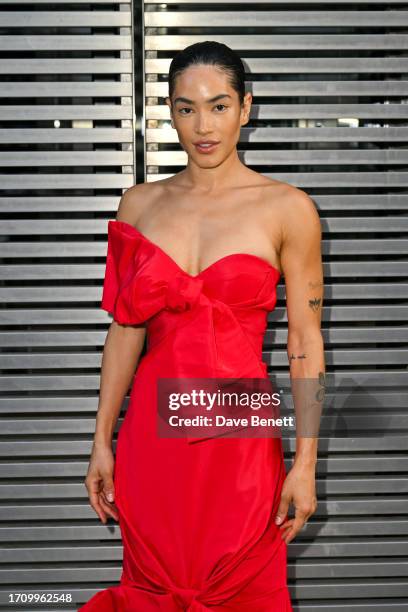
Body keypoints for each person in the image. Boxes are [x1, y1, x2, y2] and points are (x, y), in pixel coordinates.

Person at [80, 40, 324, 611]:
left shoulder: (287, 208)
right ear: (169, 112)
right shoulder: (138, 204)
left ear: (246, 108)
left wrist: (305, 465)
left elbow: (305, 343)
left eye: (218, 106)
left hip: (238, 433)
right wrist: (100, 440)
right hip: (151, 439)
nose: (202, 126)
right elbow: (125, 330)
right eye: (186, 108)